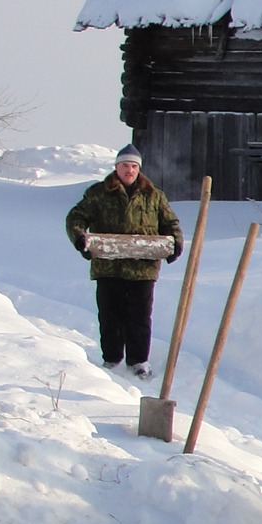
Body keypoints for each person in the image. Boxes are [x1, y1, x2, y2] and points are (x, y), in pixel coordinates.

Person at [64, 144, 183, 377]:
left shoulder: (153, 195)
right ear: (116, 167)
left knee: (140, 316)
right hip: (109, 266)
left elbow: (170, 223)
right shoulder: (98, 193)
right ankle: (112, 360)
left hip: (143, 268)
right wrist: (80, 239)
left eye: (134, 166)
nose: (129, 170)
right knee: (110, 315)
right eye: (125, 165)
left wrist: (175, 243)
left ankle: (139, 362)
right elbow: (76, 217)